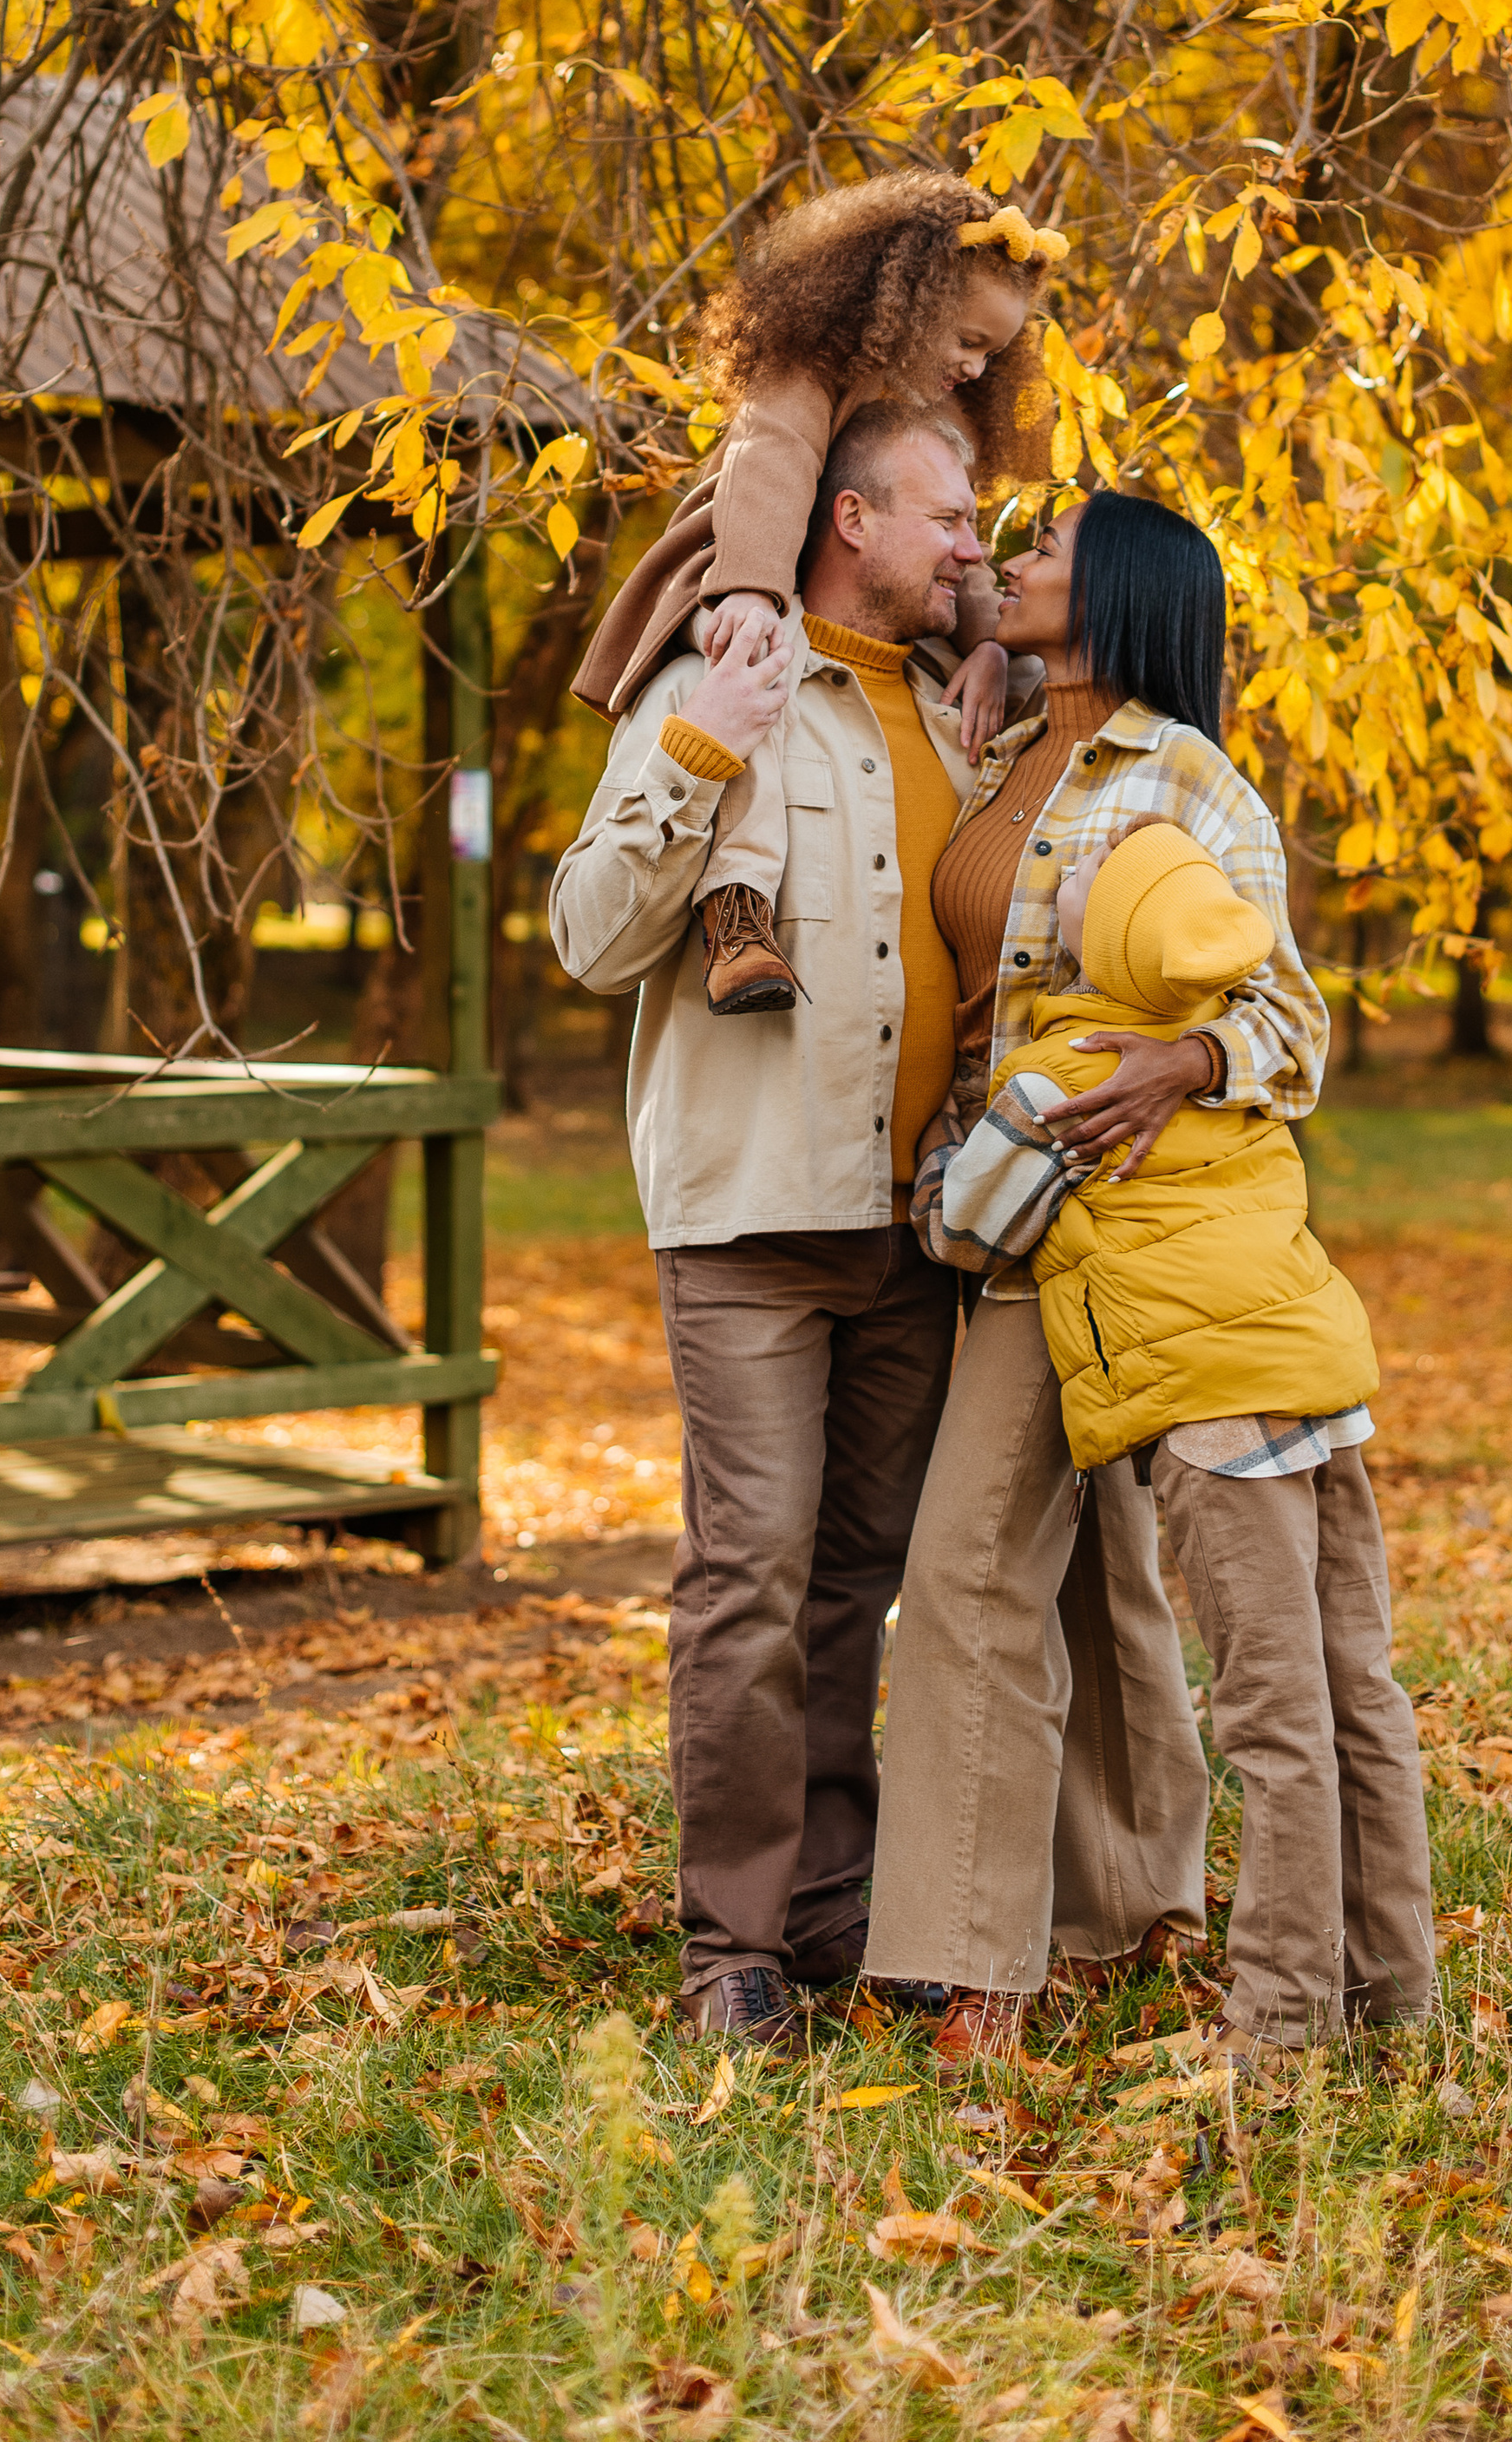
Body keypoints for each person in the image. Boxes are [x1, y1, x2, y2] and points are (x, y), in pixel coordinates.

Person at [861, 488, 1337, 2063]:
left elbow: (1293, 1025)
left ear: (1120, 590)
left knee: (968, 1558)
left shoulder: (1194, 783)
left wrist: (1195, 1051)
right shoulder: (996, 750)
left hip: (1124, 1220)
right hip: (998, 1216)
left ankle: (967, 1959)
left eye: (1048, 544)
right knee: (1098, 1569)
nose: (1010, 554)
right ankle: (1139, 1898)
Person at [549, 400, 997, 2049]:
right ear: (852, 519)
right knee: (749, 1574)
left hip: (919, 1233)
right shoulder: (716, 673)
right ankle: (731, 1939)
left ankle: (834, 1901)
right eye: (947, 514)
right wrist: (699, 749)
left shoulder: (962, 717)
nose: (972, 542)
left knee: (855, 1584)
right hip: (748, 1223)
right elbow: (589, 939)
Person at [920, 819, 1433, 2060]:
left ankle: (1282, 2015)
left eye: (1091, 884)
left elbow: (966, 1231)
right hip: (1322, 1393)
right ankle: (1396, 1986)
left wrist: (945, 1148)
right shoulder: (1217, 1071)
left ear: (1122, 938)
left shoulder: (1061, 1077)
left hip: (1216, 1427)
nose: (1069, 884)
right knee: (1361, 1692)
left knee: (1274, 1721)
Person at [571, 168, 1063, 1016]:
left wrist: (989, 643)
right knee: (762, 681)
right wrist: (755, 593)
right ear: (909, 302)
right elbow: (773, 461)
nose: (976, 366)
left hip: (834, 606)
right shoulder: (812, 362)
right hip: (741, 569)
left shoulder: (942, 421)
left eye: (992, 352)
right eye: (966, 340)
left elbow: (966, 546)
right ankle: (736, 907)